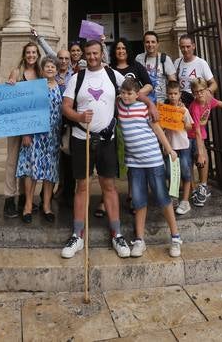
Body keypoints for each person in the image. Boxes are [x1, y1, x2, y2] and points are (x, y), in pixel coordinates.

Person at [60, 38, 156, 259]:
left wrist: (150, 103)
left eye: (96, 53)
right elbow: (65, 107)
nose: (92, 57)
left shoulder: (113, 75)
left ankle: (117, 232)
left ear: (101, 53)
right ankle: (77, 234)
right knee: (82, 186)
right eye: (88, 54)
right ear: (84, 55)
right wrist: (79, 116)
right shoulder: (77, 78)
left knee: (109, 186)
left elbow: (134, 92)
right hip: (81, 137)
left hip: (106, 138)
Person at [117, 76, 183, 258]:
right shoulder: (120, 105)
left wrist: (169, 150)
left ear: (136, 94)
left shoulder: (144, 108)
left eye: (130, 93)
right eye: (123, 93)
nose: (126, 96)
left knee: (163, 198)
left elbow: (157, 129)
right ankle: (139, 239)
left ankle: (175, 237)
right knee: (138, 201)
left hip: (153, 160)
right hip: (134, 162)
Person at [94, 38, 153, 219]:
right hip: (113, 119)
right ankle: (105, 200)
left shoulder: (136, 67)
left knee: (132, 159)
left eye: (123, 48)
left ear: (128, 50)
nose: (120, 51)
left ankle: (132, 196)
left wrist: (137, 96)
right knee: (110, 162)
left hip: (133, 120)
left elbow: (149, 84)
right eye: (117, 48)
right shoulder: (108, 69)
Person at [16, 55, 62, 223]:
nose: (50, 69)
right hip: (35, 134)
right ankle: (28, 205)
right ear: (42, 69)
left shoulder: (61, 87)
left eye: (53, 67)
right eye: (47, 66)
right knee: (32, 169)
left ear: (57, 70)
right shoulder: (35, 87)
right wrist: (26, 133)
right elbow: (27, 110)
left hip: (53, 136)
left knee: (50, 171)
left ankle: (47, 206)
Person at [2, 39, 41, 218]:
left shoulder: (40, 74)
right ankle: (10, 199)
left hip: (33, 126)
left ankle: (26, 199)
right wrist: (9, 85)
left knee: (28, 162)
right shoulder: (17, 72)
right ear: (24, 55)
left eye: (34, 52)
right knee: (12, 160)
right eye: (28, 53)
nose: (31, 55)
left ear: (38, 55)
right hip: (16, 124)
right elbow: (9, 97)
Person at [188, 77, 222, 207]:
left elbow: (218, 103)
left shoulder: (208, 99)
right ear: (192, 92)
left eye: (201, 91)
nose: (199, 94)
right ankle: (193, 190)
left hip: (200, 134)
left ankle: (203, 186)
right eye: (196, 92)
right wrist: (200, 152)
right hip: (191, 136)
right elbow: (197, 132)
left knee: (203, 160)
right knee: (191, 162)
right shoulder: (194, 107)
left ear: (206, 90)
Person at [163, 80, 194, 215]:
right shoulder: (164, 110)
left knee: (186, 172)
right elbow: (161, 127)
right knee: (171, 173)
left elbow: (189, 126)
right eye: (170, 94)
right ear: (167, 94)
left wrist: (181, 122)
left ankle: (185, 201)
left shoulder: (184, 110)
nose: (173, 96)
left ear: (180, 94)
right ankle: (174, 197)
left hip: (184, 145)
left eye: (175, 94)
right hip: (171, 146)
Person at [174, 34, 217, 105]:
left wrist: (207, 92)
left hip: (196, 101)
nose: (185, 50)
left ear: (193, 46)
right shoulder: (177, 62)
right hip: (181, 102)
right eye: (182, 47)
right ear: (179, 47)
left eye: (188, 46)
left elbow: (214, 84)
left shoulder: (201, 63)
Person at [135, 30, 176, 103]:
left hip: (161, 102)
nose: (150, 45)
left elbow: (172, 82)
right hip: (143, 101)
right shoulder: (139, 58)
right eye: (147, 42)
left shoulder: (165, 58)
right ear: (144, 43)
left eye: (153, 42)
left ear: (157, 44)